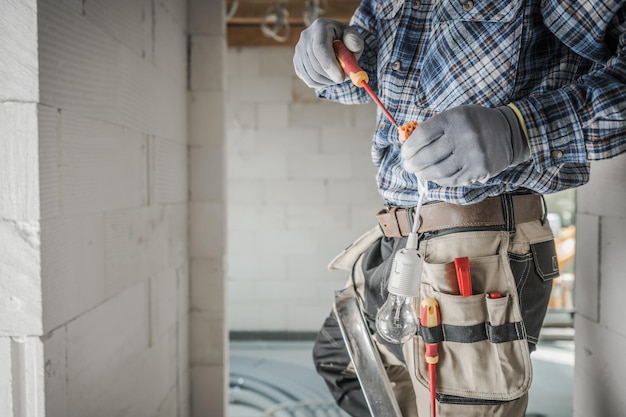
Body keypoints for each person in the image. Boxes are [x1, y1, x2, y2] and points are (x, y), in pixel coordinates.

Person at [293, 2, 626, 417]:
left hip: (477, 251)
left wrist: (522, 130)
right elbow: (372, 73)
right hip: (398, 240)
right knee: (341, 358)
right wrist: (330, 57)